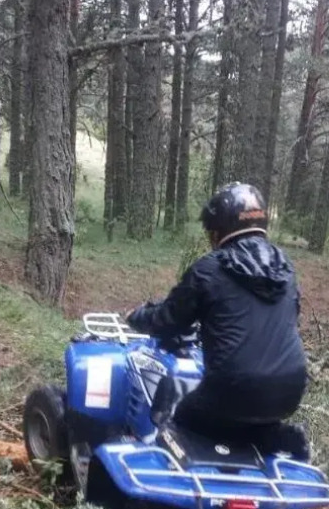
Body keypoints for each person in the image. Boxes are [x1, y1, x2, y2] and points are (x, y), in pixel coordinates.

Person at [126, 182, 309, 459]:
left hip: (229, 391)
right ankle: (273, 438)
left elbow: (168, 319)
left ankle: (170, 482)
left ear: (218, 231)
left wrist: (136, 316)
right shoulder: (286, 268)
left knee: (177, 418)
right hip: (289, 393)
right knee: (240, 417)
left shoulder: (209, 270)